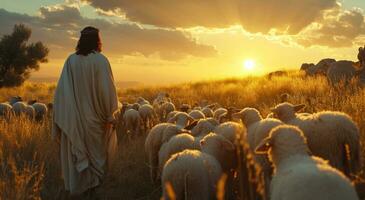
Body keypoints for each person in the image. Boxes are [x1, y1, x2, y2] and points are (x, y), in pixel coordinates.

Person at [52, 26, 118, 196]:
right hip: (95, 121)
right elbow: (107, 90)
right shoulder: (101, 61)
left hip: (74, 120)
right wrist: (109, 114)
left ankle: (79, 190)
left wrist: (64, 116)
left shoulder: (70, 61)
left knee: (77, 152)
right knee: (97, 157)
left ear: (80, 40)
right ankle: (94, 191)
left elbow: (61, 93)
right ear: (98, 40)